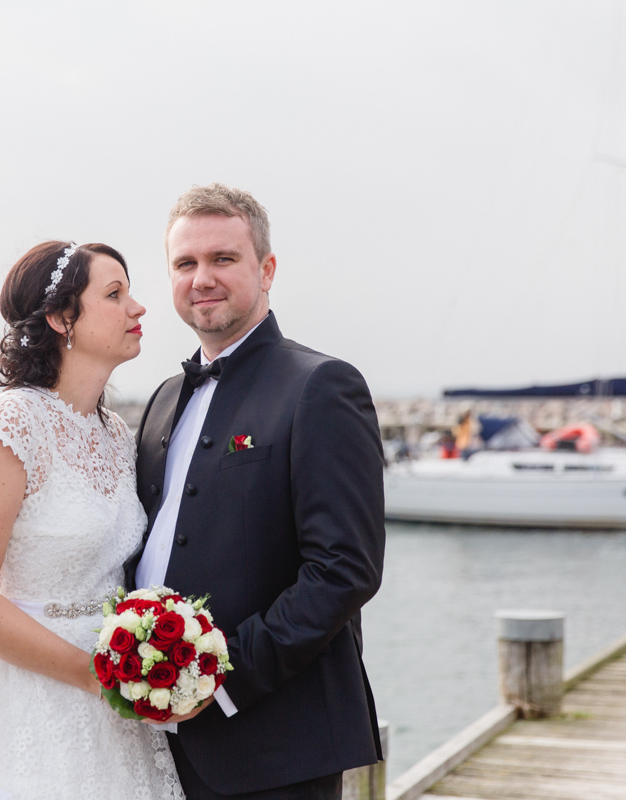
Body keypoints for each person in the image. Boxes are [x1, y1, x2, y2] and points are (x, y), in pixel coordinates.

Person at [127, 184, 386, 799]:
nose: (202, 278)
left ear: (266, 270)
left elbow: (345, 570)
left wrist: (215, 679)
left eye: (223, 259)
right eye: (185, 264)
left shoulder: (322, 386)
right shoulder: (164, 398)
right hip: (155, 744)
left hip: (277, 745)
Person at [0, 241, 184, 800]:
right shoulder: (7, 425)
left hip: (117, 709)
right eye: (115, 294)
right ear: (60, 319)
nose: (139, 308)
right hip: (34, 701)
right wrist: (91, 676)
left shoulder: (115, 434)